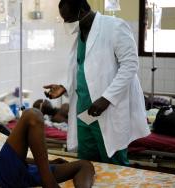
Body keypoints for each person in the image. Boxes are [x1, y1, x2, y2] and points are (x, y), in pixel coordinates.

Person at [44, 0, 150, 165]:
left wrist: (106, 98)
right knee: (87, 162)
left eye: (69, 19)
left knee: (114, 163)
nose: (67, 23)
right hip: (84, 111)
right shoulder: (81, 33)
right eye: (64, 19)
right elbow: (80, 67)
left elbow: (130, 65)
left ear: (82, 11)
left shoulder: (114, 27)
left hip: (107, 108)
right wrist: (64, 87)